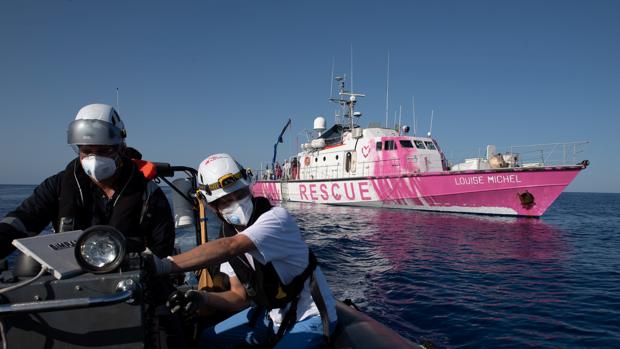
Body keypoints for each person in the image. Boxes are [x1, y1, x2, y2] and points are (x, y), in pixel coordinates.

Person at [145, 153, 337, 348]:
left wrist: (164, 265)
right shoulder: (227, 235)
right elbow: (238, 298)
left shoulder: (275, 219)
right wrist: (202, 297)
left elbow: (230, 247)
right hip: (272, 316)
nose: (237, 203)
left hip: (311, 316)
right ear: (213, 207)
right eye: (226, 200)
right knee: (207, 339)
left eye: (241, 194)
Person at [0, 103, 175, 259]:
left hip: (129, 276)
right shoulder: (58, 186)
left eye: (103, 150)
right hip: (70, 278)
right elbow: (23, 219)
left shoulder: (148, 193)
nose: (94, 158)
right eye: (87, 150)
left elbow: (161, 248)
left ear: (121, 148)